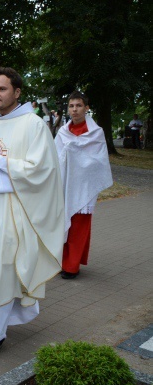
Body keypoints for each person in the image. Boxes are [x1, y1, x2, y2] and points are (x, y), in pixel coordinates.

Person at [0, 67, 64, 361]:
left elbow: (42, 169)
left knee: (3, 267)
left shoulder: (34, 126)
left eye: (2, 89)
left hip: (13, 213)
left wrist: (3, 164)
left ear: (17, 93)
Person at [55, 91, 112, 279]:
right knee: (62, 223)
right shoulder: (63, 132)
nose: (74, 110)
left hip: (84, 186)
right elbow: (54, 157)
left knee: (79, 226)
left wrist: (76, 155)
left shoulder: (96, 133)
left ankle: (71, 266)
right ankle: (60, 261)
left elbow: (98, 161)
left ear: (86, 108)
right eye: (71, 106)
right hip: (65, 184)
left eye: (78, 106)